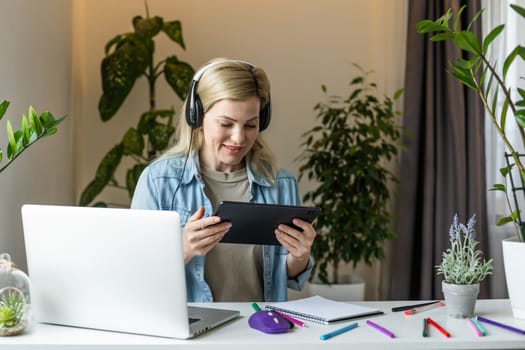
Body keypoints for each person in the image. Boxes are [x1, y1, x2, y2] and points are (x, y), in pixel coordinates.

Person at [131, 58, 317, 302]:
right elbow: (135, 273)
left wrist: (300, 255)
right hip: (192, 330)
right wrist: (183, 249)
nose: (239, 138)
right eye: (226, 124)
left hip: (262, 328)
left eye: (251, 125)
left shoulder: (280, 183)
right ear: (197, 117)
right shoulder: (158, 181)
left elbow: (286, 276)